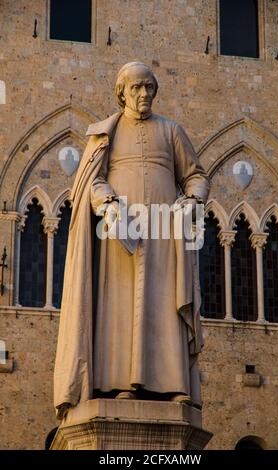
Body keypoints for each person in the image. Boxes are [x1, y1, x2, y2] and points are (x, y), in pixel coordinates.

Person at [54, 62, 210, 419]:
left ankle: (174, 387)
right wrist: (106, 201)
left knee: (163, 304)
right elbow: (90, 181)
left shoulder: (171, 131)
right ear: (121, 92)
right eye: (136, 89)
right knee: (117, 307)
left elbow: (196, 176)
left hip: (162, 236)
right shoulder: (104, 135)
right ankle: (115, 382)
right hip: (117, 237)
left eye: (149, 89)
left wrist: (193, 199)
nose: (143, 95)